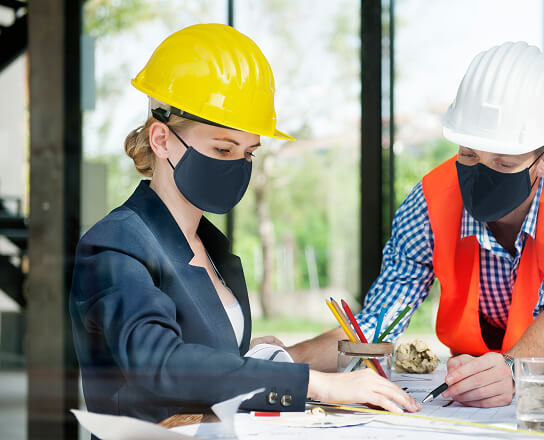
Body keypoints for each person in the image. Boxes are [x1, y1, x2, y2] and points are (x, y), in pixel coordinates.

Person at [69, 24, 419, 424]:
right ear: (161, 139)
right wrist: (315, 383)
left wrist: (249, 358)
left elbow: (205, 358)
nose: (237, 165)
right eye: (223, 149)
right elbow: (161, 364)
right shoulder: (115, 244)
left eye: (248, 152)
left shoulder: (210, 247)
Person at [287, 41, 544, 408]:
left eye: (503, 163)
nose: (482, 172)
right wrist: (284, 361)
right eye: (469, 154)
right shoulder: (430, 201)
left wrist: (512, 369)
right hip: (478, 393)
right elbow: (378, 321)